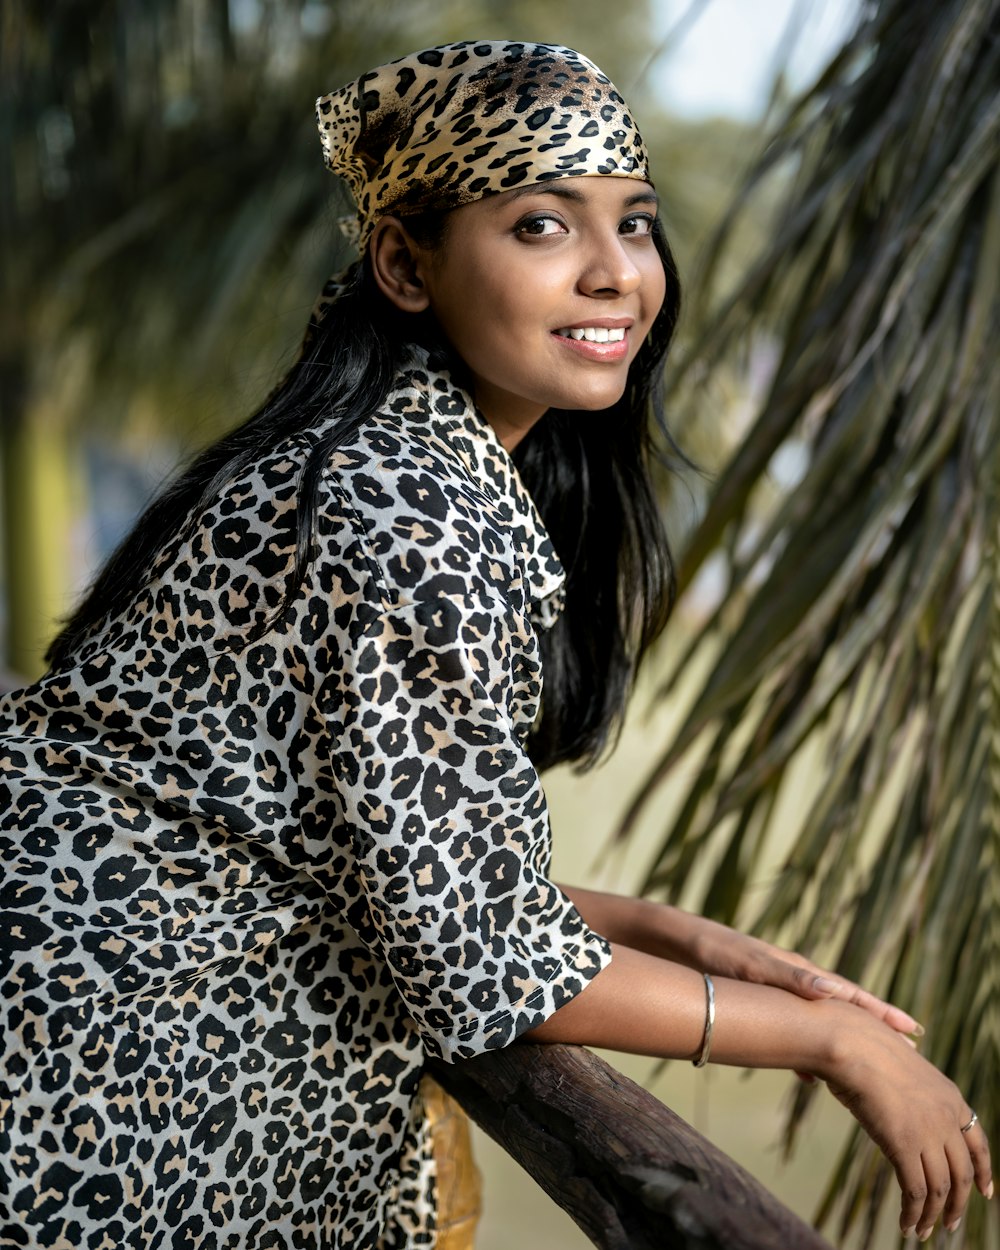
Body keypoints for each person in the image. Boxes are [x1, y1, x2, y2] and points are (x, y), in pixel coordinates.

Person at [0, 40, 991, 1250]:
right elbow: (475, 961)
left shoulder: (388, 462)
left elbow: (345, 860)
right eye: (540, 225)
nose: (613, 274)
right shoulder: (402, 505)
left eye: (634, 224)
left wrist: (672, 932)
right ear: (405, 265)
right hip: (96, 1085)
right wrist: (832, 1038)